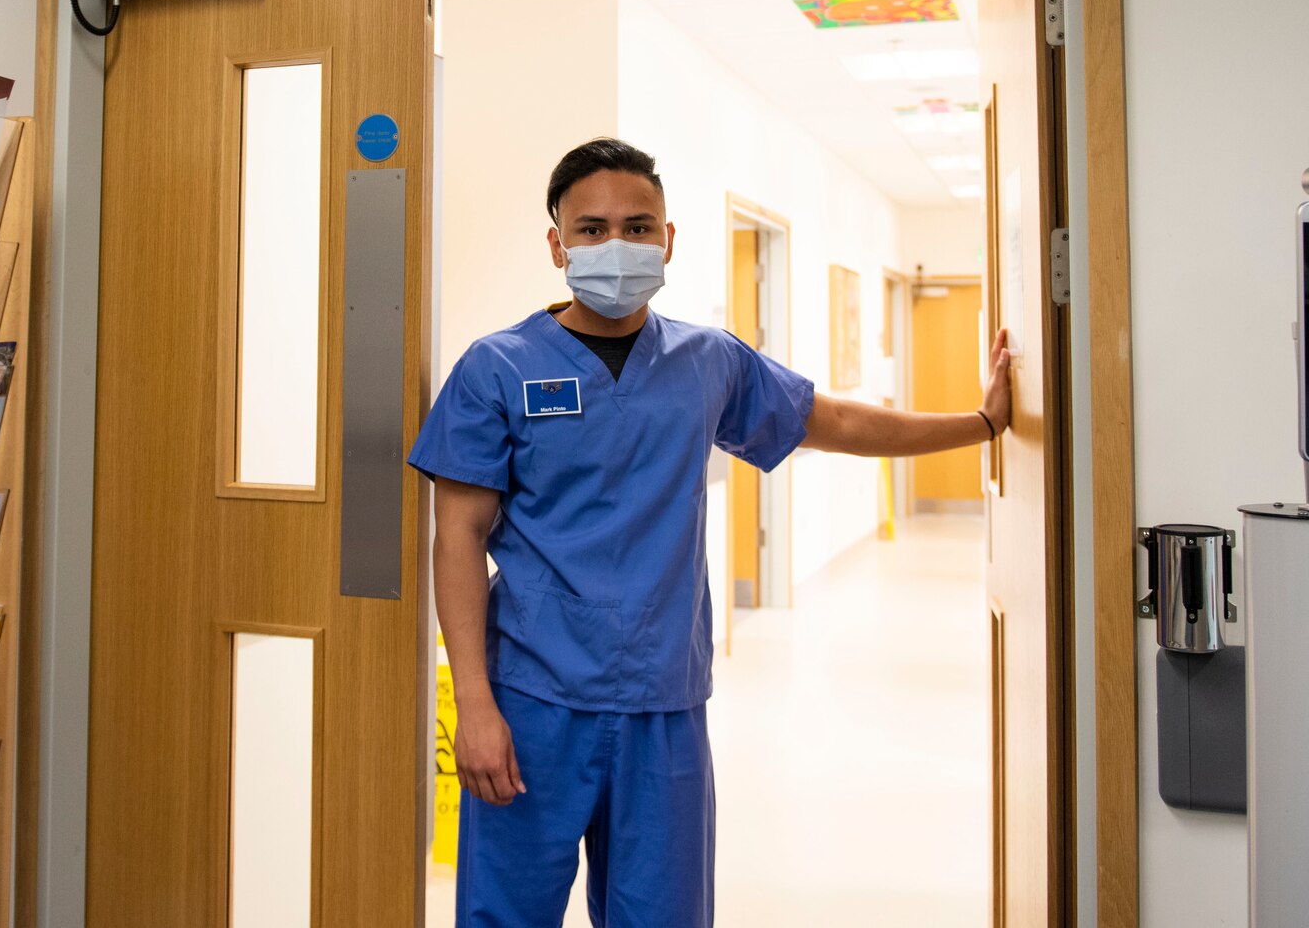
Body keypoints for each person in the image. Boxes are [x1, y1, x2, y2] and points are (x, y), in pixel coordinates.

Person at [411, 138, 1013, 928]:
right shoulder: (498, 367)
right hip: (532, 701)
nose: (614, 244)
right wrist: (476, 706)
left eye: (637, 224)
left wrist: (977, 424)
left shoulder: (705, 362)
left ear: (668, 239)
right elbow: (457, 534)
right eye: (591, 229)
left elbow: (829, 419)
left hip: (665, 701)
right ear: (557, 243)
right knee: (504, 915)